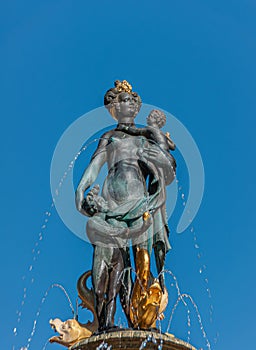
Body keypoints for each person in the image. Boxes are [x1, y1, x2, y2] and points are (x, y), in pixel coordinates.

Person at [75, 80, 175, 328]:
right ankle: (108, 322)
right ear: (114, 107)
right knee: (112, 267)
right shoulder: (110, 137)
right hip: (112, 205)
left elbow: (169, 171)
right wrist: (81, 188)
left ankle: (140, 322)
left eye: (131, 100)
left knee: (143, 265)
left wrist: (162, 159)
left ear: (137, 106)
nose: (128, 104)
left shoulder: (146, 137)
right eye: (122, 100)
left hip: (141, 203)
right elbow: (94, 166)